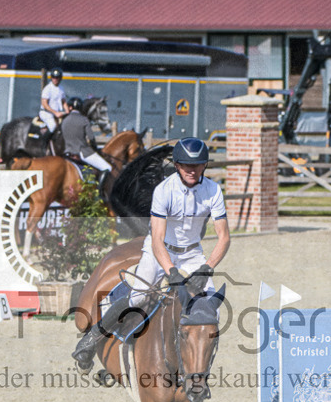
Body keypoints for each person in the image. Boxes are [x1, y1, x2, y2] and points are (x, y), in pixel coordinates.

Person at [72, 137, 229, 372]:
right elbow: (156, 240)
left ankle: (198, 367)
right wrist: (171, 272)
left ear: (204, 166)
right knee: (138, 297)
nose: (192, 170)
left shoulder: (213, 190)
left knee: (210, 308)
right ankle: (94, 339)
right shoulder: (164, 191)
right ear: (177, 165)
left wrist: (207, 267)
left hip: (193, 254)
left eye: (197, 165)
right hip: (159, 251)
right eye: (187, 165)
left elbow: (224, 237)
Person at [62, 97, 111, 173]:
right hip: (83, 152)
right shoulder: (84, 119)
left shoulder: (64, 120)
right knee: (108, 168)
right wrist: (95, 149)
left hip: (67, 153)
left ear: (70, 107)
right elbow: (91, 138)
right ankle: (100, 185)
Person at [39, 68, 69, 135]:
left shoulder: (61, 88)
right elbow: (44, 104)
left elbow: (63, 101)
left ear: (60, 78)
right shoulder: (48, 89)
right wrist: (55, 113)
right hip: (46, 113)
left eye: (57, 77)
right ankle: (44, 144)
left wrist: (67, 111)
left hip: (58, 113)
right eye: (53, 77)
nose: (55, 79)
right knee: (53, 126)